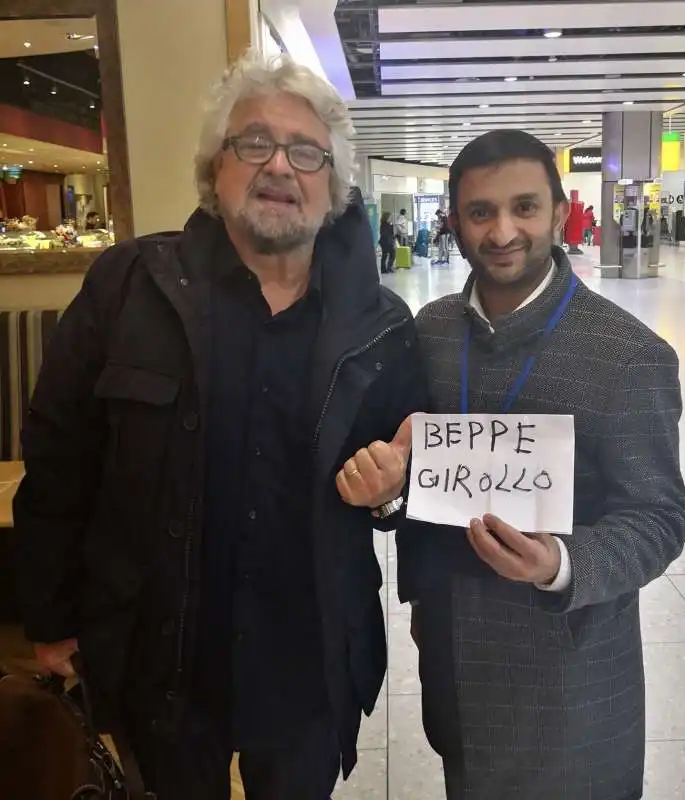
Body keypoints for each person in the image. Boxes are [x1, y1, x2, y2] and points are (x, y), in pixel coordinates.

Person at [14, 52, 426, 800]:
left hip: (306, 666)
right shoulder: (128, 286)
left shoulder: (381, 326)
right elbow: (58, 457)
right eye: (253, 142)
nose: (279, 166)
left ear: (332, 185)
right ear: (215, 167)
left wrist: (391, 493)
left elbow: (403, 489)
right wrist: (47, 615)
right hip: (158, 658)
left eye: (307, 152)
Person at [341, 130, 685, 800]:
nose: (502, 230)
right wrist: (388, 492)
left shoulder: (627, 355)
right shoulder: (430, 333)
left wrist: (560, 563)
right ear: (456, 221)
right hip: (452, 652)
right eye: (480, 212)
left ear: (559, 213)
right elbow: (418, 472)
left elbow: (657, 519)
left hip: (568, 665)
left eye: (524, 207)